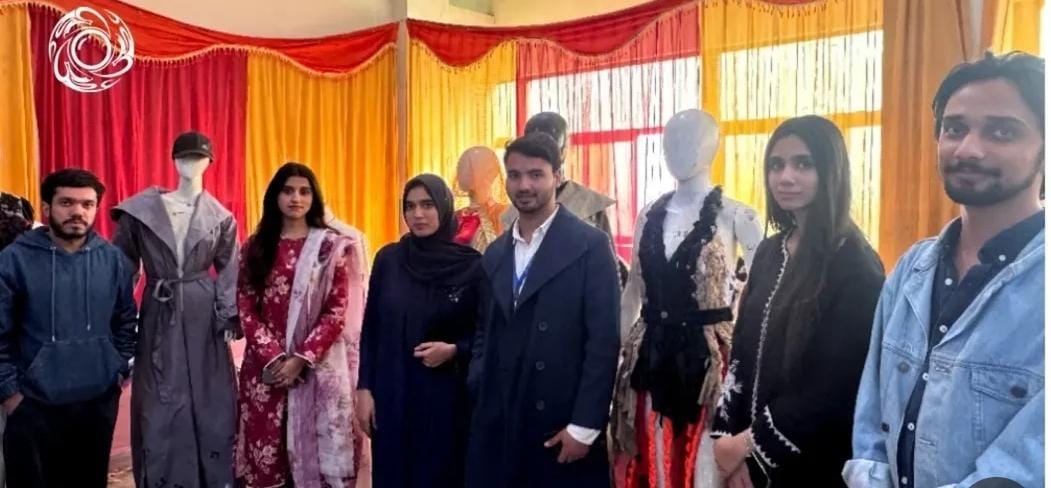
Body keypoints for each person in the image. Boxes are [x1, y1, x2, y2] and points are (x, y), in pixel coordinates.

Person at [845, 52, 1045, 488]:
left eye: (1002, 131)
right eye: (954, 129)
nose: (969, 149)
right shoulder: (911, 269)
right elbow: (871, 419)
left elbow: (1026, 468)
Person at [711, 116, 885, 487]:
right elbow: (742, 352)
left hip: (811, 461)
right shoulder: (770, 251)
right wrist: (727, 441)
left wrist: (749, 447)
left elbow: (835, 385)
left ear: (831, 171)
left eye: (803, 164)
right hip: (741, 456)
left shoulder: (855, 265)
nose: (785, 177)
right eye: (776, 165)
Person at [466, 132, 621, 487]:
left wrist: (584, 426)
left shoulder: (590, 246)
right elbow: (483, 330)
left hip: (561, 422)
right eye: (515, 175)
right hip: (501, 417)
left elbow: (603, 342)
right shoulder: (496, 253)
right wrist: (478, 381)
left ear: (557, 176)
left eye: (536, 174)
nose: (524, 185)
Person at [111, 131, 240, 487]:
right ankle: (164, 478)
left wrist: (227, 313)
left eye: (198, 157)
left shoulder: (221, 217)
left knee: (210, 394)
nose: (191, 163)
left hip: (203, 311)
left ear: (210, 162)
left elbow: (231, 268)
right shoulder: (140, 211)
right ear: (173, 160)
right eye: (184, 156)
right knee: (158, 395)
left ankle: (213, 477)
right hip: (159, 305)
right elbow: (121, 266)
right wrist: (120, 318)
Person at [0, 168, 138, 488]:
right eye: (66, 202)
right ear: (46, 208)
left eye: (87, 204)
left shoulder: (113, 260)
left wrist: (115, 373)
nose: (78, 211)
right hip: (32, 406)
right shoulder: (13, 260)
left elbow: (125, 322)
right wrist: (10, 394)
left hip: (95, 404)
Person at [235, 162, 367, 488]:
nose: (296, 198)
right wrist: (275, 357)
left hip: (315, 367)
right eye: (288, 191)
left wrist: (300, 359)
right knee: (267, 457)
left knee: (315, 462)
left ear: (314, 197)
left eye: (304, 191)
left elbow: (336, 311)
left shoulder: (330, 248)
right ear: (275, 196)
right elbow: (246, 306)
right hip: (265, 370)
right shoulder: (256, 246)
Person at [356, 174, 484, 487]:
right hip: (393, 392)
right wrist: (364, 389)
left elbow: (487, 333)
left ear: (444, 206)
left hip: (445, 397)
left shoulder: (472, 266)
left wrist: (454, 350)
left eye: (427, 205)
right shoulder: (389, 260)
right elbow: (371, 327)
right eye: (410, 206)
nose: (418, 214)